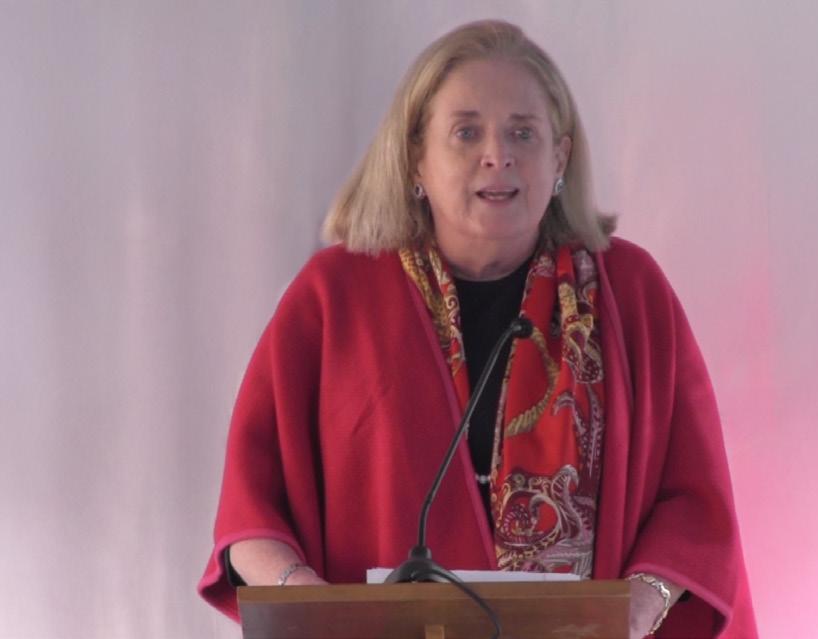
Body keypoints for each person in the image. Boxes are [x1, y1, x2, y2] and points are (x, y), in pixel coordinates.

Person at [198, 19, 756, 638]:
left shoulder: (630, 292)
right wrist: (313, 604)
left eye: (523, 132)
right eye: (467, 132)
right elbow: (251, 514)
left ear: (560, 157)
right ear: (416, 157)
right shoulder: (333, 298)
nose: (498, 155)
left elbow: (696, 507)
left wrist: (639, 608)